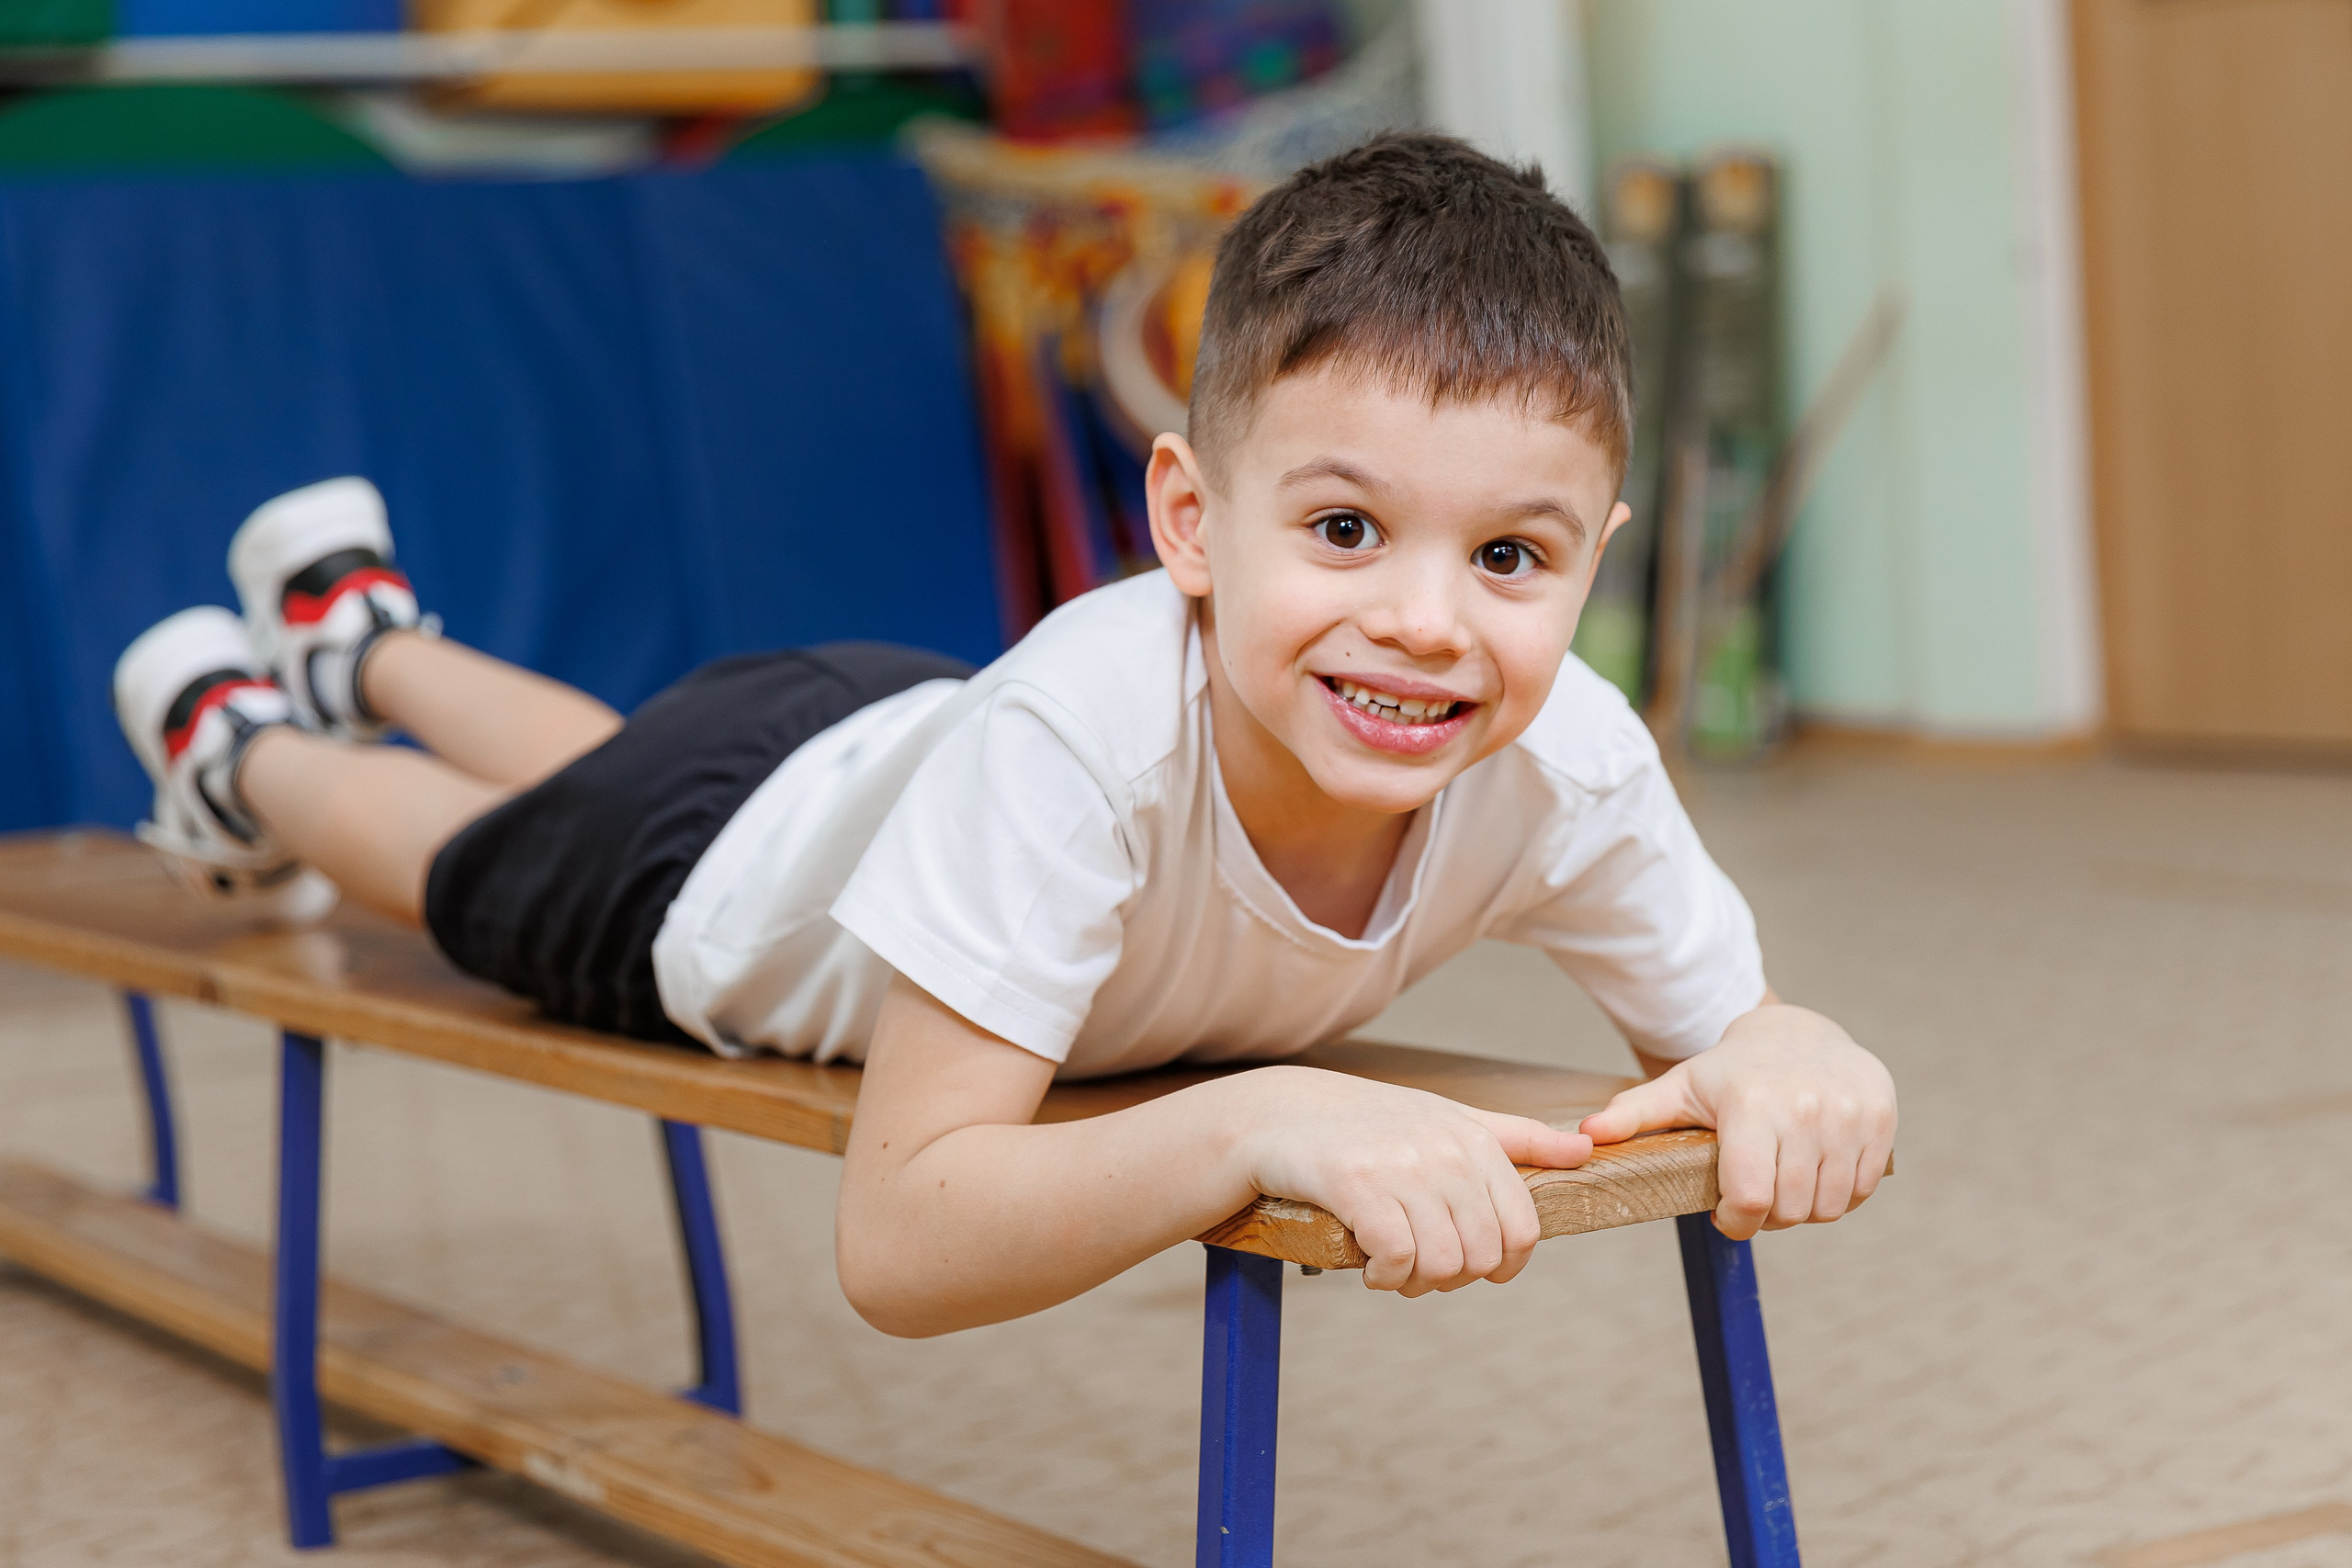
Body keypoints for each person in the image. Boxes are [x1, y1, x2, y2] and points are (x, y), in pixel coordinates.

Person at [111, 134, 1895, 1338]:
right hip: (715, 889)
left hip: (867, 744)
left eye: (1507, 554)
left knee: (617, 754)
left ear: (1594, 553)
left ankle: (372, 636)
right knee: (463, 859)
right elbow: (901, 1238)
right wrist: (1257, 1115)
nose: (1428, 617)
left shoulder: (1565, 755)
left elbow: (1730, 1028)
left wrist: (1788, 1042)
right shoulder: (1084, 733)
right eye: (1343, 529)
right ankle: (240, 748)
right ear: (1190, 525)